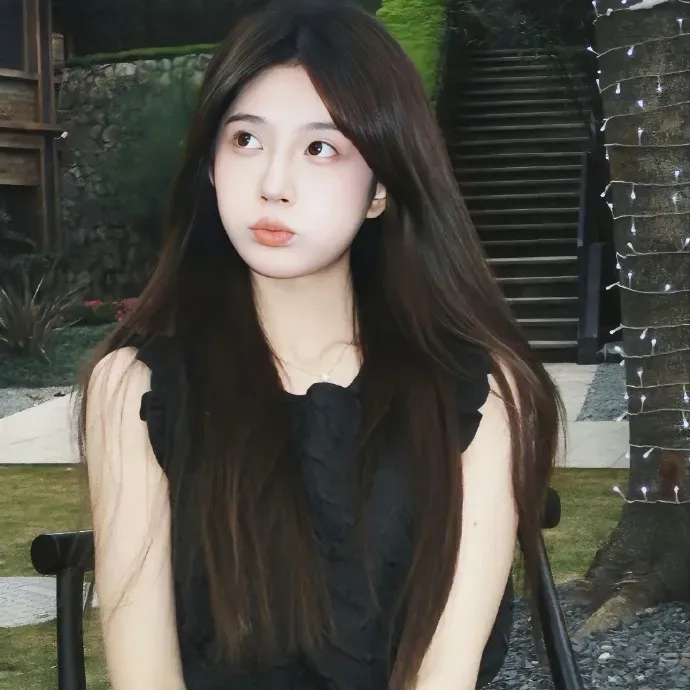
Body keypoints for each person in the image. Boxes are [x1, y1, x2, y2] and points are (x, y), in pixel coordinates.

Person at [79, 1, 564, 689]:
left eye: (320, 148)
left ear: (381, 187)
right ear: (210, 163)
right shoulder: (135, 390)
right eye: (245, 139)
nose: (273, 185)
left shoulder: (481, 396)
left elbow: (444, 675)